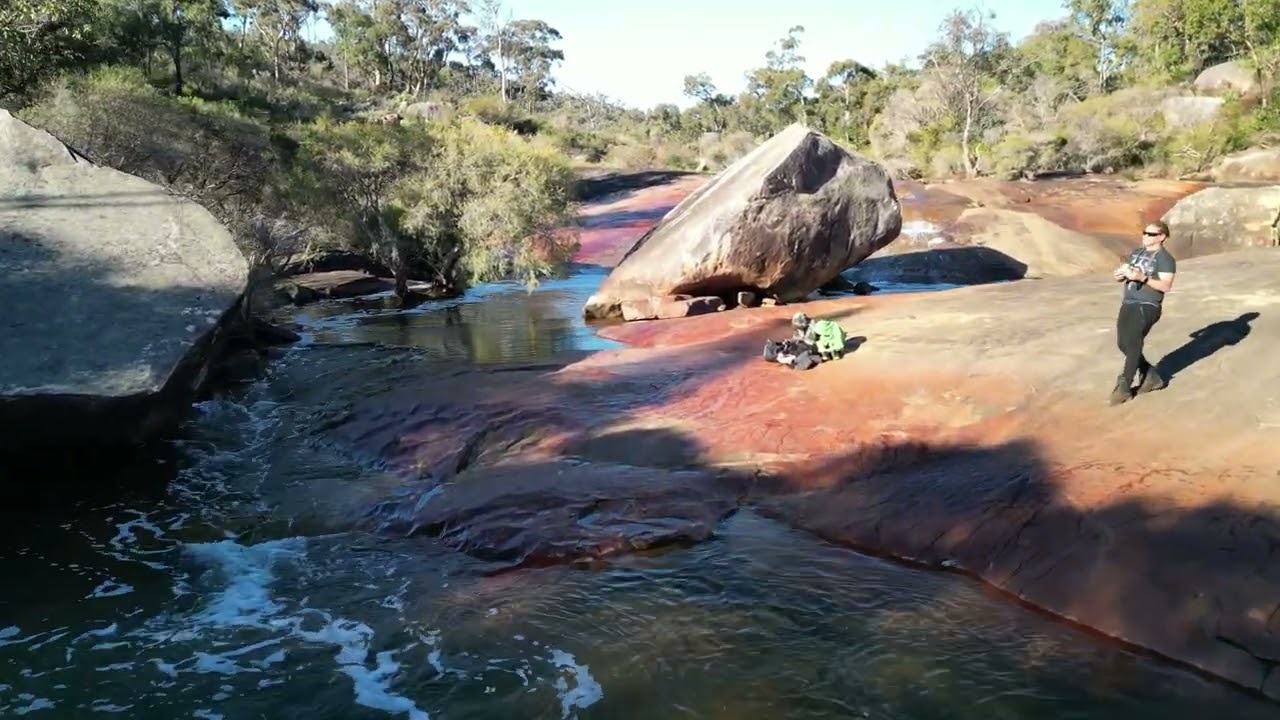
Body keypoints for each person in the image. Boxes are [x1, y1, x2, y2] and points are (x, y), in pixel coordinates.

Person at [1110, 220, 1177, 405]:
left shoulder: (1165, 259)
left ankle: (1124, 385)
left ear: (1162, 237)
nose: (1146, 236)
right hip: (1128, 302)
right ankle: (1151, 375)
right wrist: (1121, 276)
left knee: (1133, 342)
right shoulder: (1137, 253)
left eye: (1151, 234)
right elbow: (1130, 274)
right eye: (1144, 232)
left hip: (1147, 304)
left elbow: (1166, 286)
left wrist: (1143, 278)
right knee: (1123, 344)